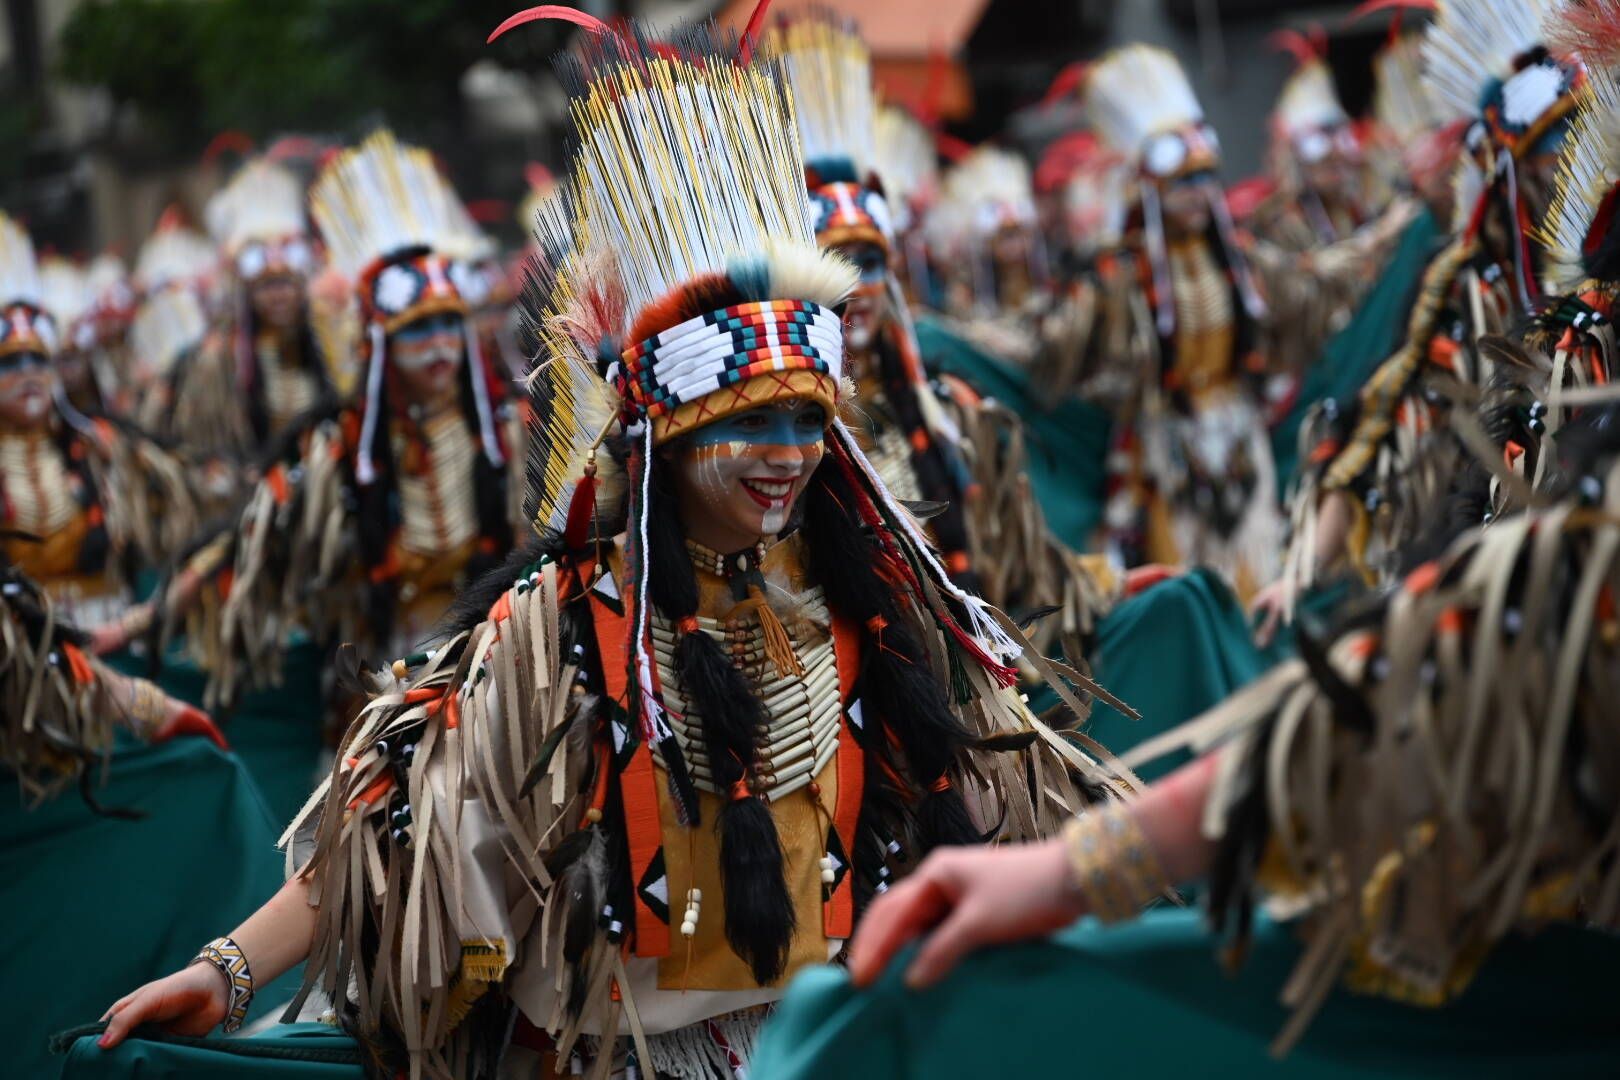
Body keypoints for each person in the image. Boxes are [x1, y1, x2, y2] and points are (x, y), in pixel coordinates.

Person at [96, 20, 1121, 1076]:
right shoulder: (559, 627)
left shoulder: (876, 601)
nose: (786, 455)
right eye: (746, 422)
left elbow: (1017, 792)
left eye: (808, 422)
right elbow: (398, 827)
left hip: (827, 1046)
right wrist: (225, 974)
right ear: (664, 436)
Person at [846, 12, 1620, 1045]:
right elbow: (1480, 670)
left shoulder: (1525, 341)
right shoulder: (1116, 293)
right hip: (1173, 473)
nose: (1199, 202)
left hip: (1249, 476)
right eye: (1178, 186)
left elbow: (1333, 310)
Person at [1256, 0, 1586, 637]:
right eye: (1548, 148)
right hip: (1509, 552)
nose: (1568, 161)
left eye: (1577, 137)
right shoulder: (1467, 283)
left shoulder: (1607, 257)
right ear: (1505, 168)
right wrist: (1301, 570)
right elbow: (1383, 429)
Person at [1038, 45, 1414, 598]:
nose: (1197, 194)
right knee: (1188, 579)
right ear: (1152, 189)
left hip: (1241, 437)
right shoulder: (1118, 274)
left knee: (1257, 571)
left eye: (1204, 179)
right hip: (1168, 448)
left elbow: (1310, 280)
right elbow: (1059, 351)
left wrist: (1385, 239)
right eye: (1182, 183)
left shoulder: (1239, 256)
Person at [0, 212, 198, 645]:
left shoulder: (97, 445)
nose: (29, 373)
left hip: (110, 636)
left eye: (38, 360)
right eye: (11, 363)